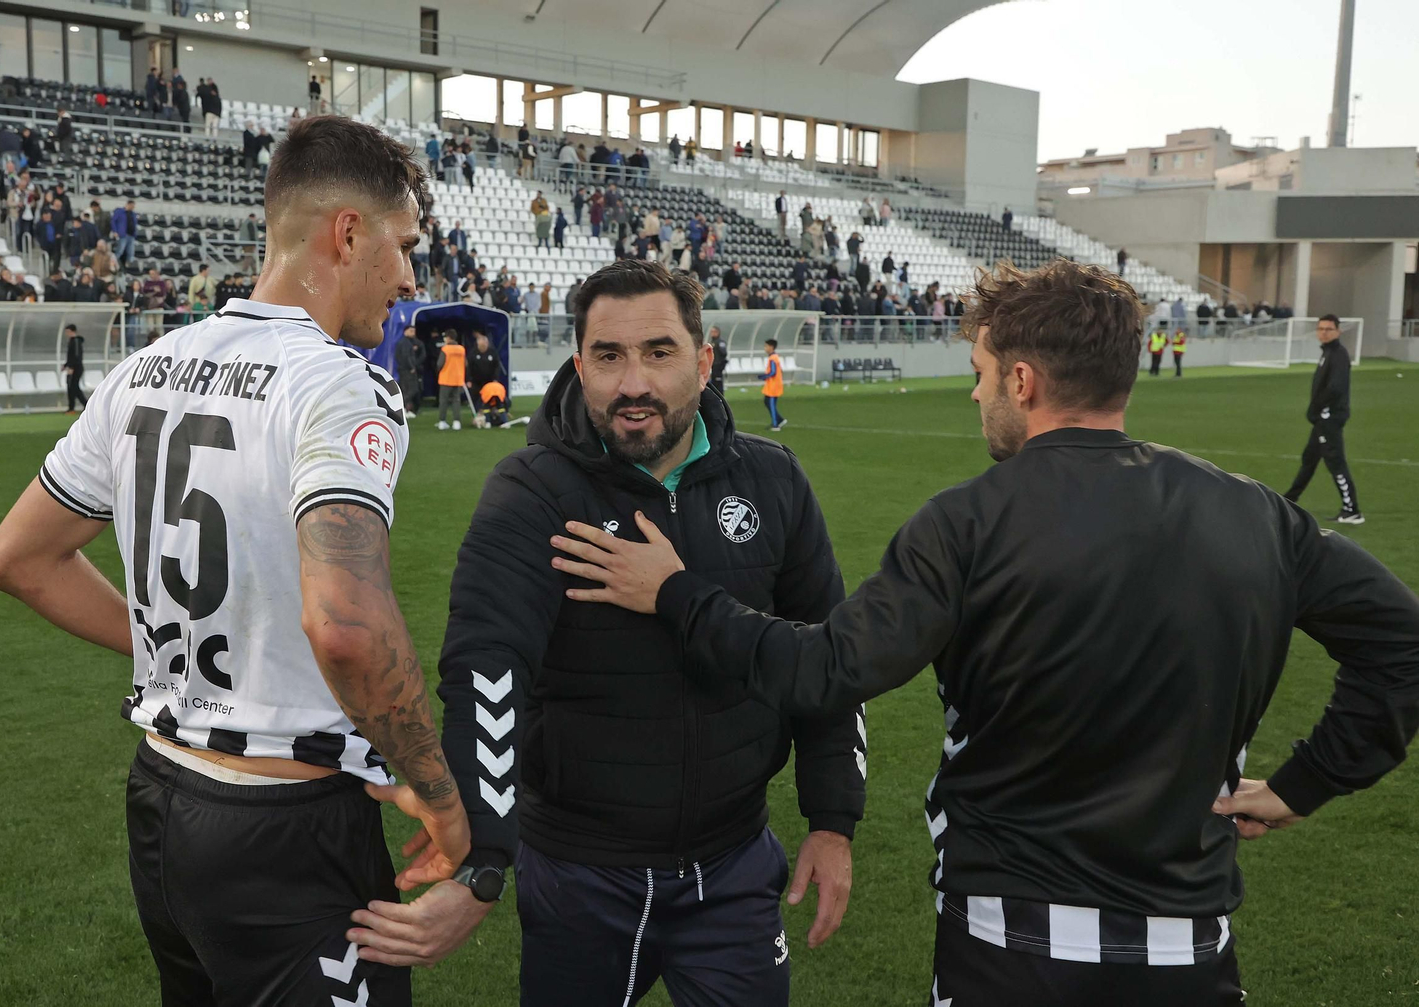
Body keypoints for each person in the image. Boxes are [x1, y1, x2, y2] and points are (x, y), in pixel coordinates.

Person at [555, 258, 1419, 1007]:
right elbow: (1402, 645)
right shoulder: (1258, 516)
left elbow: (825, 669)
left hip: (1011, 941)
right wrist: (1305, 783)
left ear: (1023, 382)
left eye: (981, 371)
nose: (975, 391)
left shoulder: (966, 524)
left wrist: (676, 594)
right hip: (1187, 948)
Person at [0, 115, 466, 1007]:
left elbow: (18, 558)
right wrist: (438, 790)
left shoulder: (144, 368)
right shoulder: (340, 382)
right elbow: (347, 626)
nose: (409, 277)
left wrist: (172, 645)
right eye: (402, 246)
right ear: (347, 232)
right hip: (286, 824)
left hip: (163, 796)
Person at [358, 259, 864, 1001]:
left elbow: (827, 661)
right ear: (579, 367)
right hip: (579, 876)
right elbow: (486, 666)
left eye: (659, 352)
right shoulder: (533, 491)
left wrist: (832, 818)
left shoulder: (772, 479)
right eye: (608, 356)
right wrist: (484, 857)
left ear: (704, 361)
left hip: (734, 867)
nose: (634, 383)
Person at [1283, 315, 1362, 523]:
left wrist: (1316, 408)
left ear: (1338, 331)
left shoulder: (1338, 355)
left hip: (1329, 417)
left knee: (1335, 461)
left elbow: (1335, 388)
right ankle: (1289, 500)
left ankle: (1352, 510)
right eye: (1321, 329)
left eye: (1328, 329)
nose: (1324, 333)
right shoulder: (1328, 353)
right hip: (1322, 417)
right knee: (1309, 459)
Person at [435, 329, 466, 430]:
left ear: (448, 338)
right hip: (458, 379)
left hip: (446, 378)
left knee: (443, 401)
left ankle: (442, 421)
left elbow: (440, 364)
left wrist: (438, 371)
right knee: (456, 401)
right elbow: (465, 364)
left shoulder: (445, 349)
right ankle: (457, 422)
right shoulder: (461, 349)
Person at [394, 324, 425, 419]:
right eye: (411, 331)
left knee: (406, 389)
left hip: (404, 369)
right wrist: (412, 367)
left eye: (414, 331)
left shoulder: (406, 342)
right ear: (405, 332)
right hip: (407, 370)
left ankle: (406, 410)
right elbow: (406, 356)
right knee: (412, 389)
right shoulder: (405, 343)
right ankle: (402, 408)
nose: (413, 333)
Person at [464, 330, 499, 412]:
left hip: (489, 381)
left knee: (489, 397)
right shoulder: (473, 353)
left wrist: (495, 378)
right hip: (476, 381)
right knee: (475, 397)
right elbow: (468, 367)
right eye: (481, 344)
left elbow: (497, 367)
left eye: (485, 343)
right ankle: (477, 412)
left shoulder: (492, 353)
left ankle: (490, 412)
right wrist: (468, 380)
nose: (483, 345)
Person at [757, 339, 786, 430]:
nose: (765, 348)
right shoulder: (774, 357)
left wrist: (763, 376)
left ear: (771, 347)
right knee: (767, 402)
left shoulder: (773, 358)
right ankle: (780, 420)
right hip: (771, 385)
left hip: (773, 386)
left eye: (766, 346)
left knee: (771, 404)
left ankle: (775, 425)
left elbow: (773, 372)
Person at [60, 323, 87, 412]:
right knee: (71, 387)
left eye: (68, 331)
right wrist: (66, 365)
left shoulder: (76, 341)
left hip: (76, 368)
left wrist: (71, 367)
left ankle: (85, 405)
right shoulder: (71, 341)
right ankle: (72, 407)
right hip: (72, 367)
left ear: (72, 331)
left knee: (74, 387)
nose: (67, 334)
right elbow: (71, 356)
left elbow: (76, 356)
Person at [111, 199, 137, 266]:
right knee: (120, 250)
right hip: (123, 235)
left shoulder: (133, 214)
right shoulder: (119, 212)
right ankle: (113, 263)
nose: (133, 208)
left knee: (131, 252)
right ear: (128, 204)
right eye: (132, 206)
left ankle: (128, 265)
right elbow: (113, 221)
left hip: (131, 235)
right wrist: (115, 231)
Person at [708, 324, 726, 396]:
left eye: (713, 332)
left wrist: (720, 363)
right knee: (714, 382)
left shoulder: (720, 342)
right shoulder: (712, 342)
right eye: (711, 332)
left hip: (718, 366)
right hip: (713, 365)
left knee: (718, 382)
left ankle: (720, 396)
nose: (712, 333)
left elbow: (724, 353)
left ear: (717, 332)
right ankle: (716, 396)